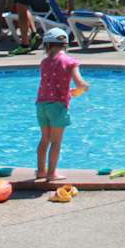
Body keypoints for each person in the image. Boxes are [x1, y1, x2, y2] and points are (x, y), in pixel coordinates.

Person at [34, 27, 87, 185]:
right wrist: (83, 87)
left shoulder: (44, 62)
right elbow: (80, 83)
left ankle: (41, 171)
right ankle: (51, 174)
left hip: (41, 104)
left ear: (47, 45)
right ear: (66, 45)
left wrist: (68, 91)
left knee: (44, 139)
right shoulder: (70, 62)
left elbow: (51, 83)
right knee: (56, 141)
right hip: (57, 106)